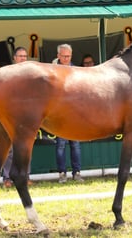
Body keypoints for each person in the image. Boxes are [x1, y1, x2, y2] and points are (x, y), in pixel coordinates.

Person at [53, 44, 84, 183]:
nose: (66, 59)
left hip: (74, 112)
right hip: (59, 113)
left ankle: (77, 172)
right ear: (58, 56)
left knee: (75, 145)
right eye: (64, 56)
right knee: (60, 145)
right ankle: (62, 173)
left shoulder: (76, 70)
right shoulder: (52, 70)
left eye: (69, 56)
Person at [2, 46, 32, 187]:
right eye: (20, 56)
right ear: (14, 58)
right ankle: (7, 178)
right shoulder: (9, 74)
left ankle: (25, 176)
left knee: (25, 147)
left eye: (25, 56)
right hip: (11, 115)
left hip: (26, 116)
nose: (23, 59)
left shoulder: (32, 76)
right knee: (9, 149)